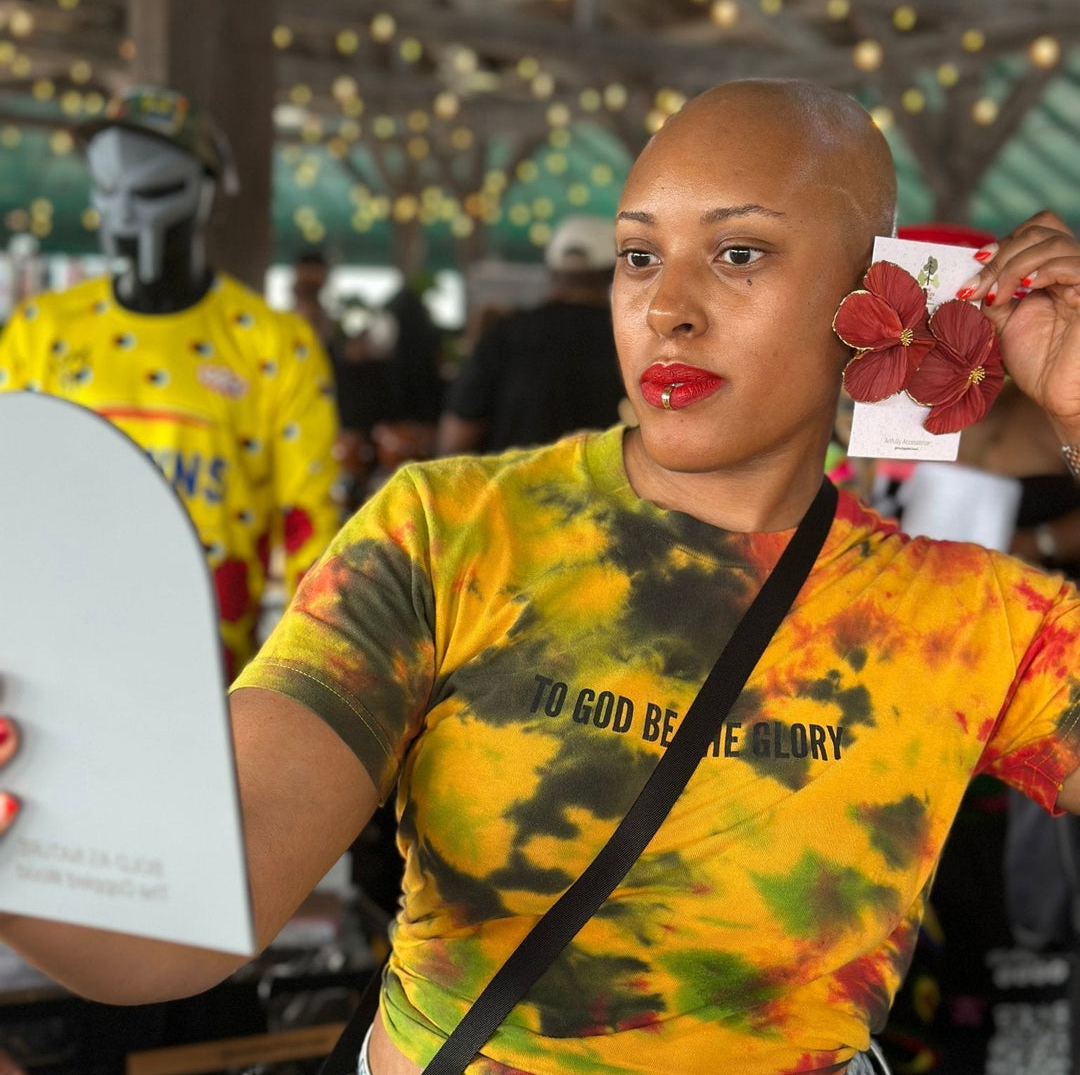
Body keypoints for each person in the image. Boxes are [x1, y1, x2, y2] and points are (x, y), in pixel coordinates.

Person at [3, 77, 1080, 1075]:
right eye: (639, 255)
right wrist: (30, 848)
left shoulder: (967, 619)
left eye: (740, 254)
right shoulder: (451, 531)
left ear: (879, 292)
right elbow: (195, 902)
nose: (668, 308)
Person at [0, 85, 341, 679]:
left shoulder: (274, 344)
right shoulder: (41, 333)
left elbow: (313, 532)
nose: (126, 213)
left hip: (212, 679)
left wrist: (299, 686)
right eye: (108, 190)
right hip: (50, 665)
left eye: (154, 190)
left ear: (206, 192)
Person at [436, 213, 624, 455]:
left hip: (511, 487)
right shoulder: (628, 338)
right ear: (614, 273)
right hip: (607, 490)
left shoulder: (506, 331)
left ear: (552, 272)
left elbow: (456, 436)